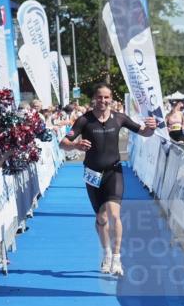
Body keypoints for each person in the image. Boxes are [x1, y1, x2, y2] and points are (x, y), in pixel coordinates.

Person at [59, 83, 156, 276]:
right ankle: (107, 254)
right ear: (94, 98)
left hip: (114, 172)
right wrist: (76, 146)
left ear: (111, 99)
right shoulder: (84, 120)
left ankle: (118, 259)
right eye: (100, 97)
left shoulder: (119, 118)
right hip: (93, 174)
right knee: (101, 218)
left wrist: (152, 128)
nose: (103, 101)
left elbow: (144, 132)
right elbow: (63, 143)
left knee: (114, 214)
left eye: (106, 97)